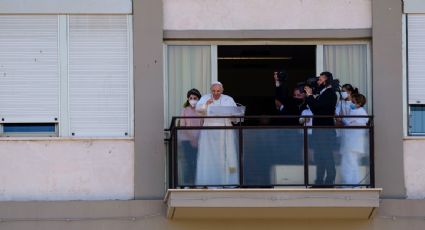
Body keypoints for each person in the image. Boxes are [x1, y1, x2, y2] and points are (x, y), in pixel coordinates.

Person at [195, 82, 239, 186]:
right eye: (213, 91)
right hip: (209, 132)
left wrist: (232, 114)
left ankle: (227, 182)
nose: (216, 93)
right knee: (209, 157)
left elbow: (236, 116)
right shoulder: (205, 98)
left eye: (218, 91)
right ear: (211, 91)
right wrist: (206, 104)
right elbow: (198, 110)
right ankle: (209, 182)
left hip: (225, 131)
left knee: (226, 157)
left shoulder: (228, 99)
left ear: (222, 91)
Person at [304, 71, 338, 186]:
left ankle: (329, 180)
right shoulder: (322, 93)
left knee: (326, 154)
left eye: (320, 79)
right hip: (319, 129)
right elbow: (315, 109)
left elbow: (318, 108)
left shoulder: (330, 93)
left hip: (325, 130)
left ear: (327, 81)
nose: (318, 81)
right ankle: (319, 180)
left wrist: (309, 95)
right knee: (319, 156)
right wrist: (311, 96)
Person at [339, 93, 369, 185]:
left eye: (353, 101)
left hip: (354, 143)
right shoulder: (355, 111)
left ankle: (350, 184)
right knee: (350, 164)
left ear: (358, 103)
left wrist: (342, 120)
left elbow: (353, 123)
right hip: (351, 143)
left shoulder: (361, 112)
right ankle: (351, 183)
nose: (351, 103)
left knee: (350, 164)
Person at [178, 88, 203, 186]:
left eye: (195, 98)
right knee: (188, 162)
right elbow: (182, 126)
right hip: (186, 140)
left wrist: (197, 139)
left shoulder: (201, 111)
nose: (192, 100)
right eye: (191, 98)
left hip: (199, 140)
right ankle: (187, 183)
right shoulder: (184, 110)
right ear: (188, 99)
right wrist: (192, 139)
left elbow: (203, 125)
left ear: (198, 99)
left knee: (197, 162)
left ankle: (197, 182)